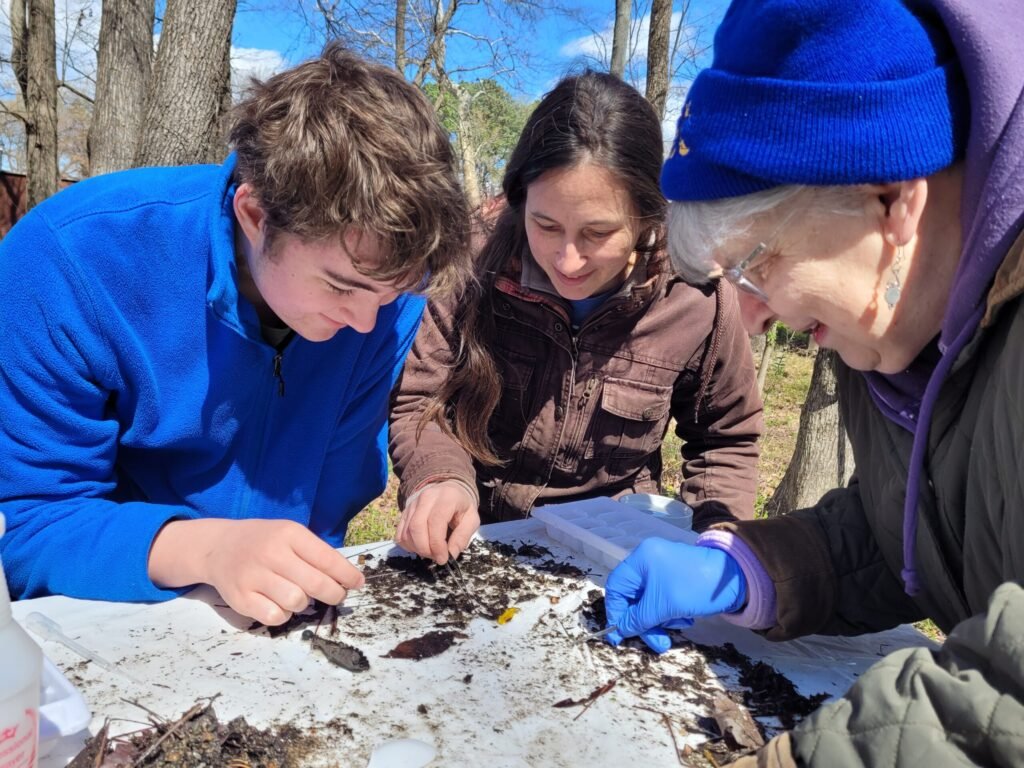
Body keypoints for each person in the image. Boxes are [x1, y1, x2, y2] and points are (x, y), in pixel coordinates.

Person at [603, 0, 1024, 764]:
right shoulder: (904, 331)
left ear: (893, 200)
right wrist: (755, 568)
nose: (753, 320)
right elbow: (926, 527)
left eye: (759, 262)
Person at [0, 44, 471, 626]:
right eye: (340, 287)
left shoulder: (384, 297)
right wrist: (208, 550)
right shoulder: (69, 260)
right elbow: (31, 522)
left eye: (390, 294)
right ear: (255, 215)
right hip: (102, 616)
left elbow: (332, 496)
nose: (367, 324)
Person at [389, 72, 763, 565]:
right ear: (521, 199)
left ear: (649, 216)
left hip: (616, 551)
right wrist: (439, 478)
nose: (567, 260)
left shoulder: (696, 293)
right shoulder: (472, 263)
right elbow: (420, 400)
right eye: (545, 225)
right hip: (476, 539)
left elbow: (726, 437)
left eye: (598, 232)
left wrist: (714, 546)